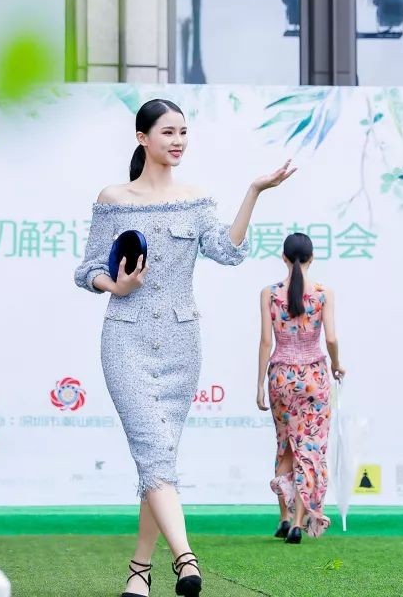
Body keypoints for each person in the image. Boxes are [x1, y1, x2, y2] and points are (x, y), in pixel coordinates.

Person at [74, 98, 295, 597]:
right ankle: (186, 559)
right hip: (126, 337)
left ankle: (139, 570)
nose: (178, 141)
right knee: (154, 452)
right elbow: (87, 269)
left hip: (181, 342)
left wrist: (254, 191)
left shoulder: (195, 199)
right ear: (142, 137)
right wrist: (116, 286)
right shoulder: (113, 198)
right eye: (168, 132)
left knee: (160, 461)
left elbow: (228, 252)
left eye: (183, 132)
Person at [255, 233, 343, 544]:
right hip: (313, 377)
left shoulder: (269, 294)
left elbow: (266, 341)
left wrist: (259, 385)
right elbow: (330, 338)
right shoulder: (322, 293)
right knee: (309, 448)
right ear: (312, 258)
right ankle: (296, 522)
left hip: (280, 376)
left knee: (285, 446)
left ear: (283, 257)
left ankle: (283, 517)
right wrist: (336, 365)